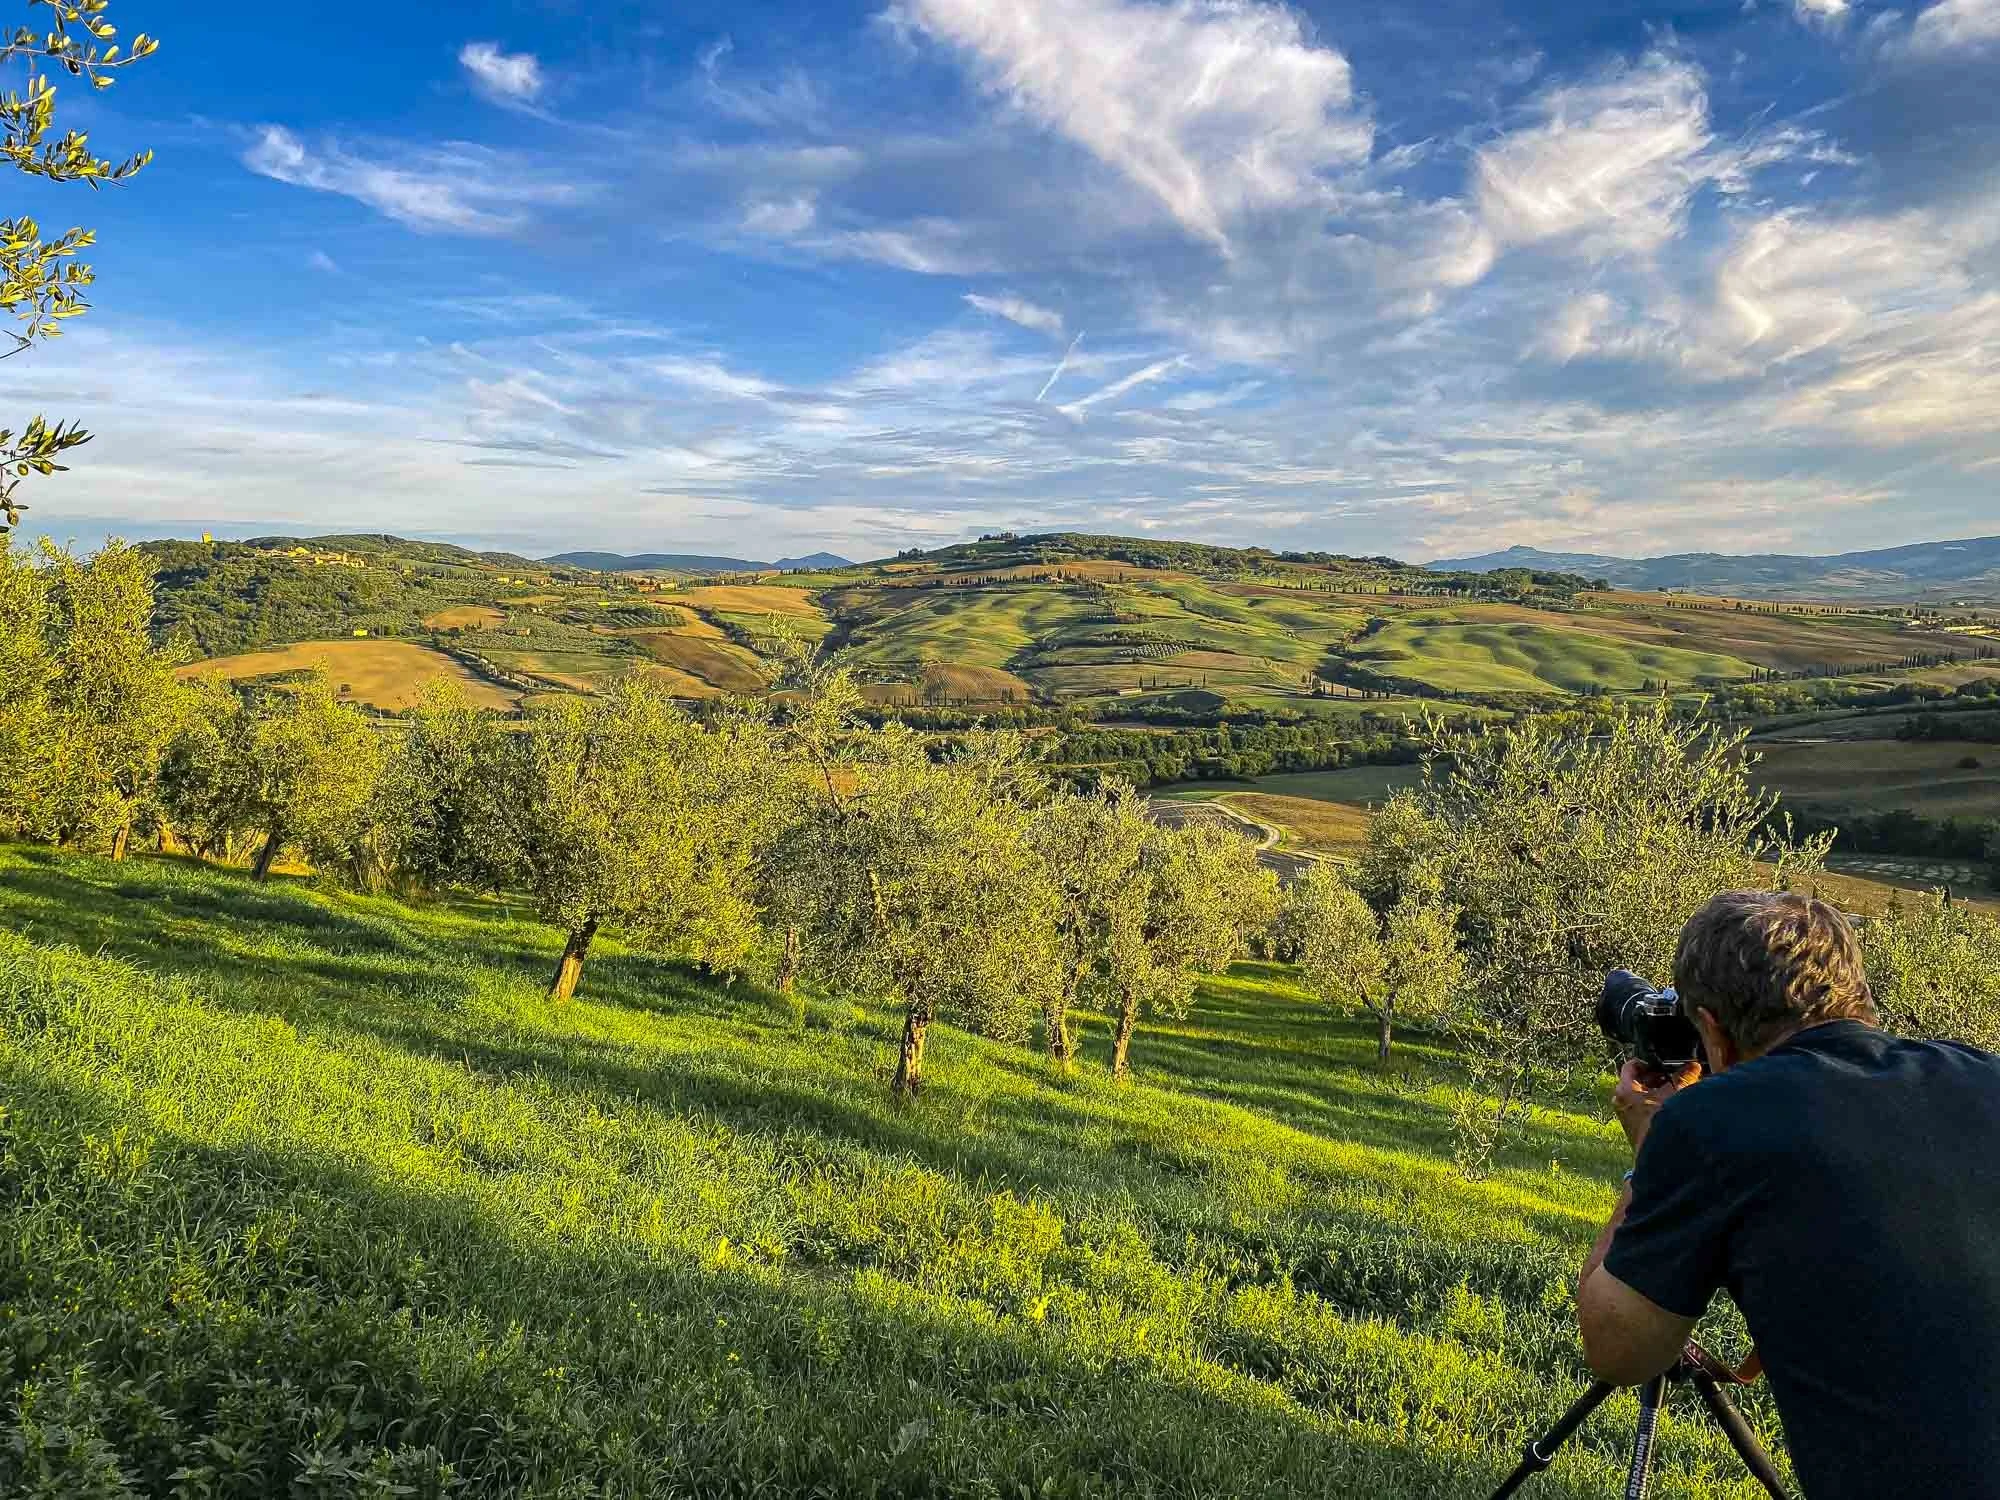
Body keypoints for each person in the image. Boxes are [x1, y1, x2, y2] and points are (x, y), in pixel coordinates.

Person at [1576, 889, 2000, 1500]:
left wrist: (1652, 1154)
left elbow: (1620, 1353)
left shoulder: (1716, 1120)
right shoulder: (1982, 1075)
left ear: (1713, 1034)